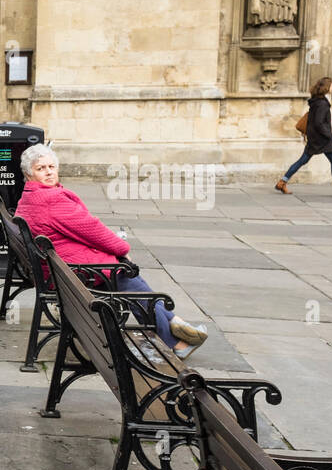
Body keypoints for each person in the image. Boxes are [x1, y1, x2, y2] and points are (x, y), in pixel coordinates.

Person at [14, 143, 209, 359]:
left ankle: (173, 323)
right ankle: (173, 337)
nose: (49, 172)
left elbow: (82, 230)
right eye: (41, 168)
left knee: (124, 272)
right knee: (124, 273)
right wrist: (122, 248)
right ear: (29, 174)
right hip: (70, 274)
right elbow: (92, 229)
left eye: (51, 166)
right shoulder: (51, 200)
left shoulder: (32, 197)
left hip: (57, 268)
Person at [276, 77, 332, 197]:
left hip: (314, 139)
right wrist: (328, 134)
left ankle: (282, 182)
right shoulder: (322, 103)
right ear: (327, 87)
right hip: (323, 139)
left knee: (302, 160)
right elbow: (319, 122)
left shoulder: (316, 100)